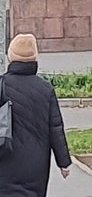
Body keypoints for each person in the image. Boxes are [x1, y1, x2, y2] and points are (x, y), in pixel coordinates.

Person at [0, 33, 72, 197]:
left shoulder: (2, 85)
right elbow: (55, 128)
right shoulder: (45, 89)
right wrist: (64, 162)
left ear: (11, 57)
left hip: (5, 159)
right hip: (36, 165)